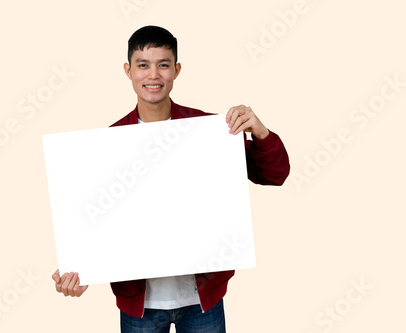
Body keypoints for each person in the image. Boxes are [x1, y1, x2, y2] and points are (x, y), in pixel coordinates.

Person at [51, 25, 290, 332]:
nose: (153, 75)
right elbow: (91, 217)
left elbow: (275, 174)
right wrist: (79, 269)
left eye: (163, 65)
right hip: (141, 307)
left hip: (202, 300)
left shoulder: (209, 132)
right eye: (143, 65)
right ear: (128, 71)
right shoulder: (106, 146)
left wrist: (260, 131)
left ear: (176, 70)